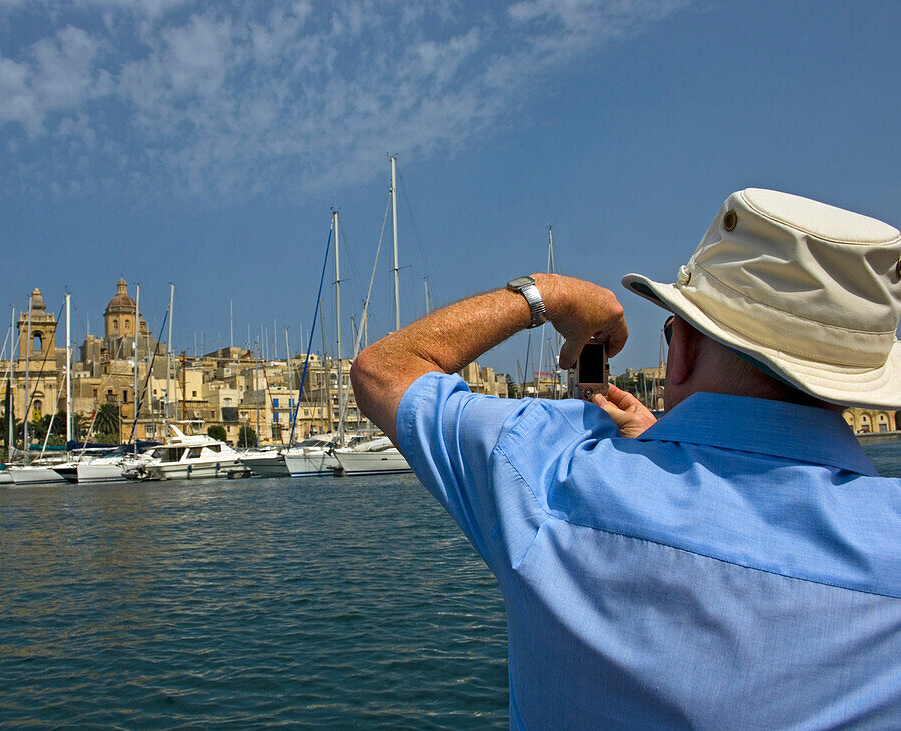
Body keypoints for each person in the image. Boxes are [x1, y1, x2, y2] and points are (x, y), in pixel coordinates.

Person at [350, 188, 901, 728]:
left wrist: (544, 296)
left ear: (680, 349)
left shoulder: (559, 487)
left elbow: (384, 370)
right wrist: (661, 443)